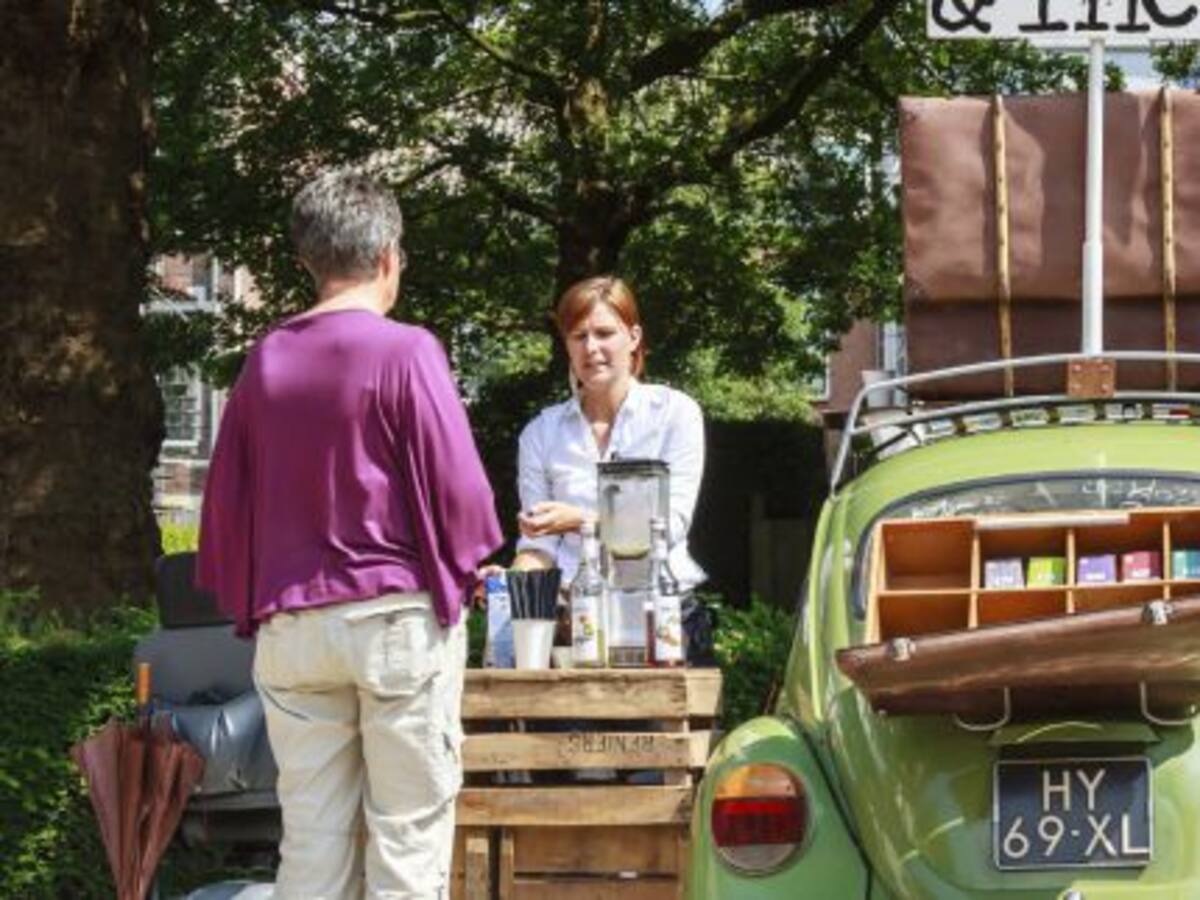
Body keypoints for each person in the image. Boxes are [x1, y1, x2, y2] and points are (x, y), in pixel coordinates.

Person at [196, 170, 502, 900]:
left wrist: (254, 603)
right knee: (407, 846)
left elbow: (225, 504)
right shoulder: (407, 351)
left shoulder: (266, 359)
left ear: (308, 260)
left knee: (311, 848)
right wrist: (464, 576)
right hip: (392, 620)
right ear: (389, 256)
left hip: (294, 629)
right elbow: (463, 497)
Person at [513, 275, 706, 594]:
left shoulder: (675, 414)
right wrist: (508, 585)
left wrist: (581, 521)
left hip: (662, 609)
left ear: (633, 337)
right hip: (574, 612)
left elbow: (669, 527)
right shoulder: (540, 433)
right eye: (578, 336)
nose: (591, 348)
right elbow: (538, 548)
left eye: (604, 333)